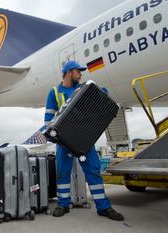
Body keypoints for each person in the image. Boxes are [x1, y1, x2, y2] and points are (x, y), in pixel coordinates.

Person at [44, 60, 124, 221]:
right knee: (63, 174)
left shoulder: (83, 89)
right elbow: (48, 120)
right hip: (64, 142)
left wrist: (102, 94)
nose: (81, 74)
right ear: (68, 72)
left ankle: (104, 207)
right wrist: (52, 135)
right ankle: (63, 204)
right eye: (78, 71)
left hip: (84, 140)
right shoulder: (54, 92)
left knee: (93, 172)